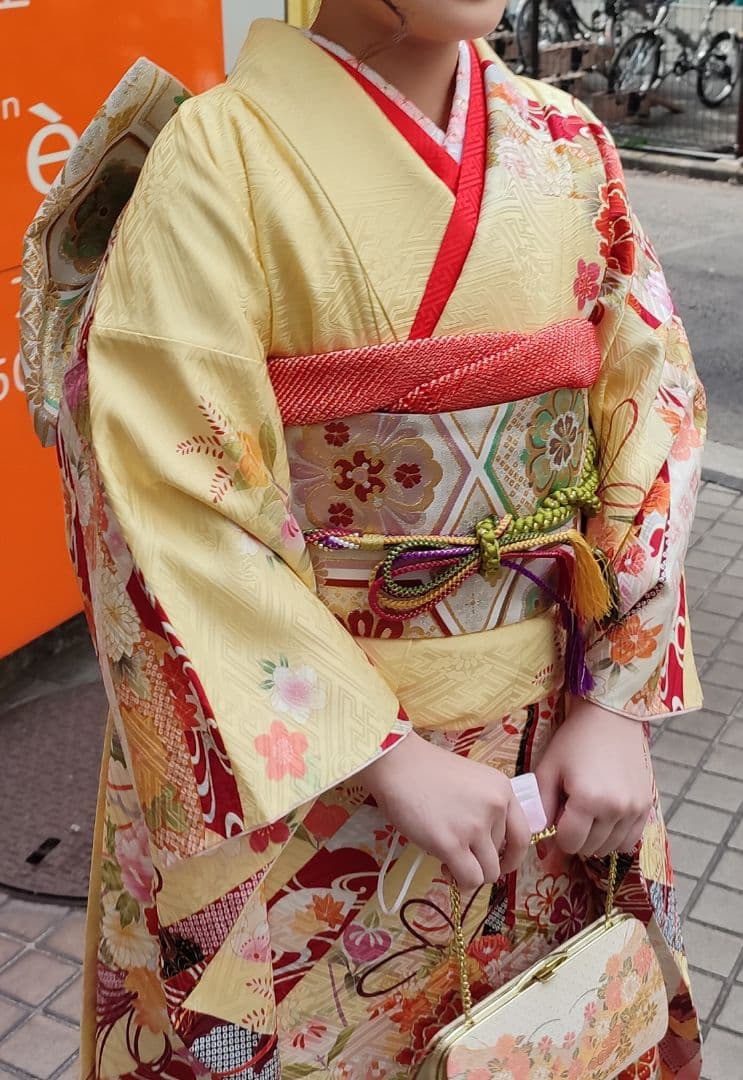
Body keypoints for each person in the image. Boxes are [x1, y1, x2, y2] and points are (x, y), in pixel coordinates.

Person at [22, 1, 706, 1076]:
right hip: (309, 779)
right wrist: (378, 751)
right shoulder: (218, 155)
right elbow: (161, 497)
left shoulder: (567, 143)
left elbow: (650, 409)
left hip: (555, 750)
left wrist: (615, 703)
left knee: (552, 1033)